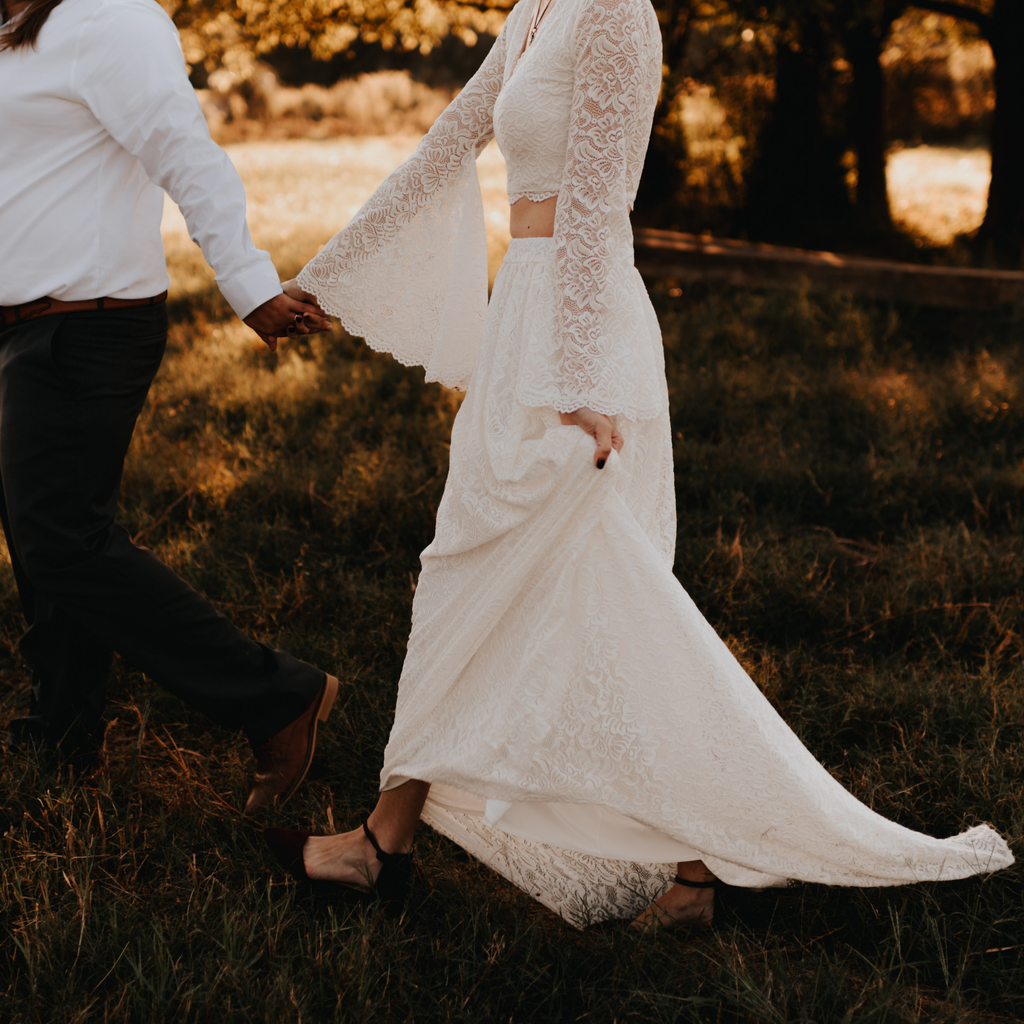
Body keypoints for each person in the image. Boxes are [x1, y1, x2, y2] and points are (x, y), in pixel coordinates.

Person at [262, 0, 1014, 928]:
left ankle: (431, 848)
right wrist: (325, 279)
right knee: (478, 575)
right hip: (521, 317)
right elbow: (446, 143)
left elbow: (596, 203)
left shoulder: (617, 13)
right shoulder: (535, 8)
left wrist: (578, 380)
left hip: (579, 337)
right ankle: (410, 841)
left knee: (587, 596)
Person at [0, 0, 339, 816]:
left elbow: (187, 156)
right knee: (42, 538)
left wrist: (250, 286)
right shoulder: (11, 31)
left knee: (61, 540)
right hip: (20, 326)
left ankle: (277, 696)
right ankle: (63, 728)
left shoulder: (110, 19)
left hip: (87, 325)